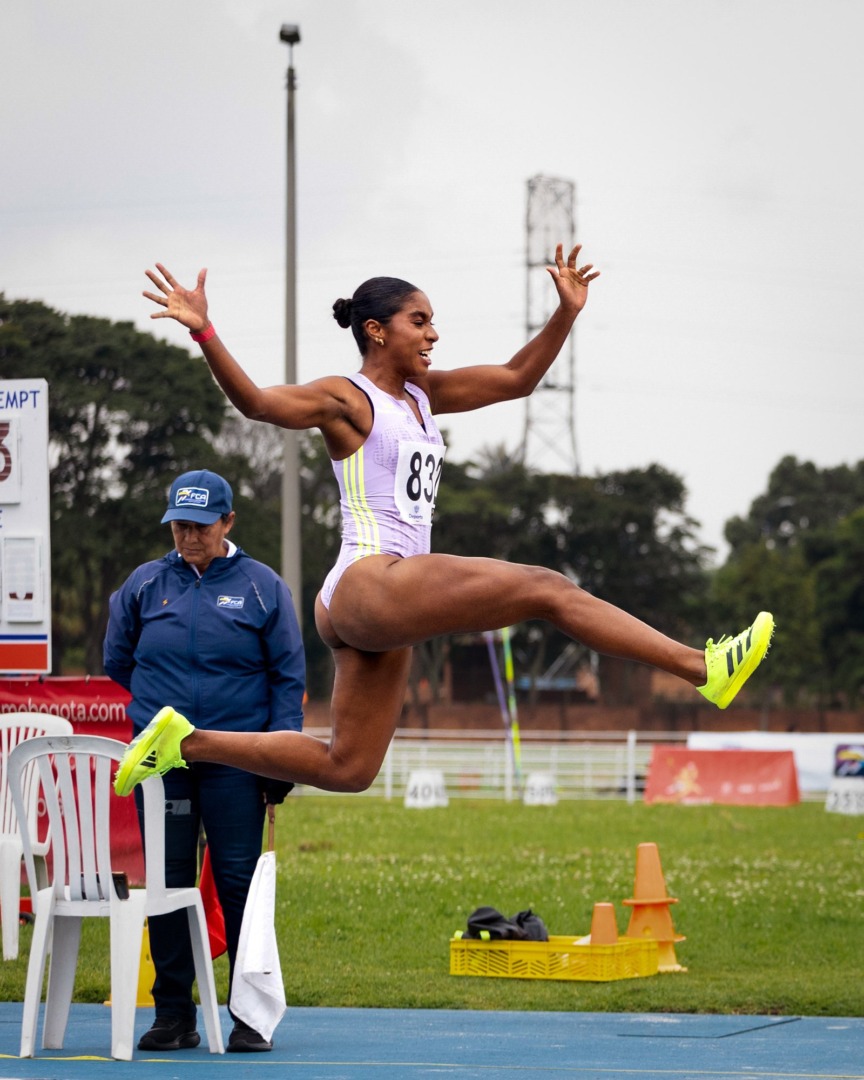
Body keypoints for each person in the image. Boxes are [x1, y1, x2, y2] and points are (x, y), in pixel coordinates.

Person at [114, 244, 774, 802]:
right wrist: (205, 331)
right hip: (370, 579)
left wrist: (566, 313)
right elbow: (258, 404)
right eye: (420, 321)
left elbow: (517, 378)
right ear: (377, 331)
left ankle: (185, 743)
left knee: (349, 769)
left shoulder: (426, 396)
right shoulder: (348, 398)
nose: (433, 334)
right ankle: (702, 667)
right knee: (546, 588)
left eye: (433, 323)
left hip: (380, 599)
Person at [104, 469, 305, 1053]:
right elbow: (118, 659)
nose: (189, 537)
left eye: (201, 526)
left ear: (228, 521)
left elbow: (287, 676)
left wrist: (280, 757)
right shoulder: (144, 584)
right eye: (180, 527)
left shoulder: (263, 586)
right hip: (163, 763)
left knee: (237, 883)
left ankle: (248, 1016)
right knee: (167, 883)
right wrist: (160, 710)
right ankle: (174, 1014)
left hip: (236, 759)